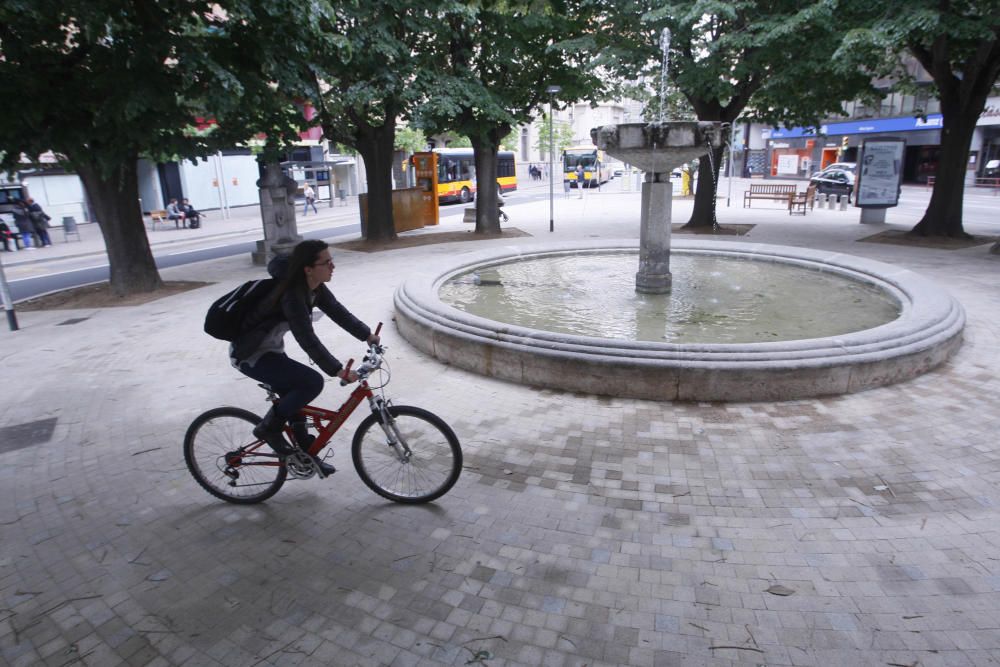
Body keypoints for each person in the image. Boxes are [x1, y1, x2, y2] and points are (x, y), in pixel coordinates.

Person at [230, 239, 380, 476]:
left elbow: (338, 312)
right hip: (251, 355)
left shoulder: (315, 287)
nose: (333, 266)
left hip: (270, 351)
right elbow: (306, 337)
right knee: (311, 382)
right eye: (327, 262)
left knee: (296, 396)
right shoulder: (292, 296)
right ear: (308, 269)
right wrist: (337, 370)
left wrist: (367, 335)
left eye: (332, 260)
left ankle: (305, 456)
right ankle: (268, 429)